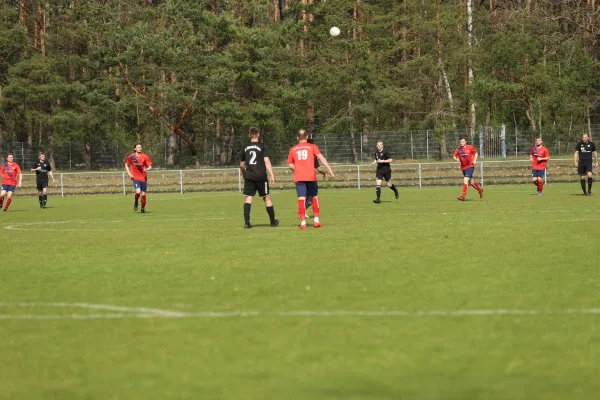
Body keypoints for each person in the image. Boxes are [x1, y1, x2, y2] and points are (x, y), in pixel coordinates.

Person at [288, 129, 335, 229]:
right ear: (307, 137)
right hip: (310, 176)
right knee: (314, 197)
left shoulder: (293, 149)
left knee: (301, 198)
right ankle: (316, 221)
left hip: (299, 177)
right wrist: (330, 170)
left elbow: (290, 165)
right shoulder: (312, 147)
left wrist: (298, 170)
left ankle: (303, 223)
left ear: (297, 138)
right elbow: (321, 158)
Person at [239, 127, 279, 229]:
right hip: (261, 176)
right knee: (266, 198)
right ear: (258, 135)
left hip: (250, 176)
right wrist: (272, 174)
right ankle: (272, 221)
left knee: (248, 198)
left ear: (249, 135)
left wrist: (244, 174)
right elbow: (266, 161)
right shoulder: (263, 146)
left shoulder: (245, 147)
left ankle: (247, 223)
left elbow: (242, 165)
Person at [303, 134, 327, 217]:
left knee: (303, 196)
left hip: (300, 177)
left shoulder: (298, 151)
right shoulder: (312, 155)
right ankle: (302, 211)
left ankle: (302, 212)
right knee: (312, 197)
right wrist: (324, 173)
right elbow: (319, 169)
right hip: (310, 178)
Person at [125, 143, 152, 212]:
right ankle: (136, 201)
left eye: (140, 147)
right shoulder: (132, 156)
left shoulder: (145, 156)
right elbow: (126, 164)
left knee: (143, 194)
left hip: (143, 178)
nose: (139, 148)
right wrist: (129, 173)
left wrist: (147, 169)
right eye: (138, 147)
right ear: (135, 149)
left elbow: (150, 166)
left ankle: (142, 209)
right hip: (136, 178)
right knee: (138, 191)